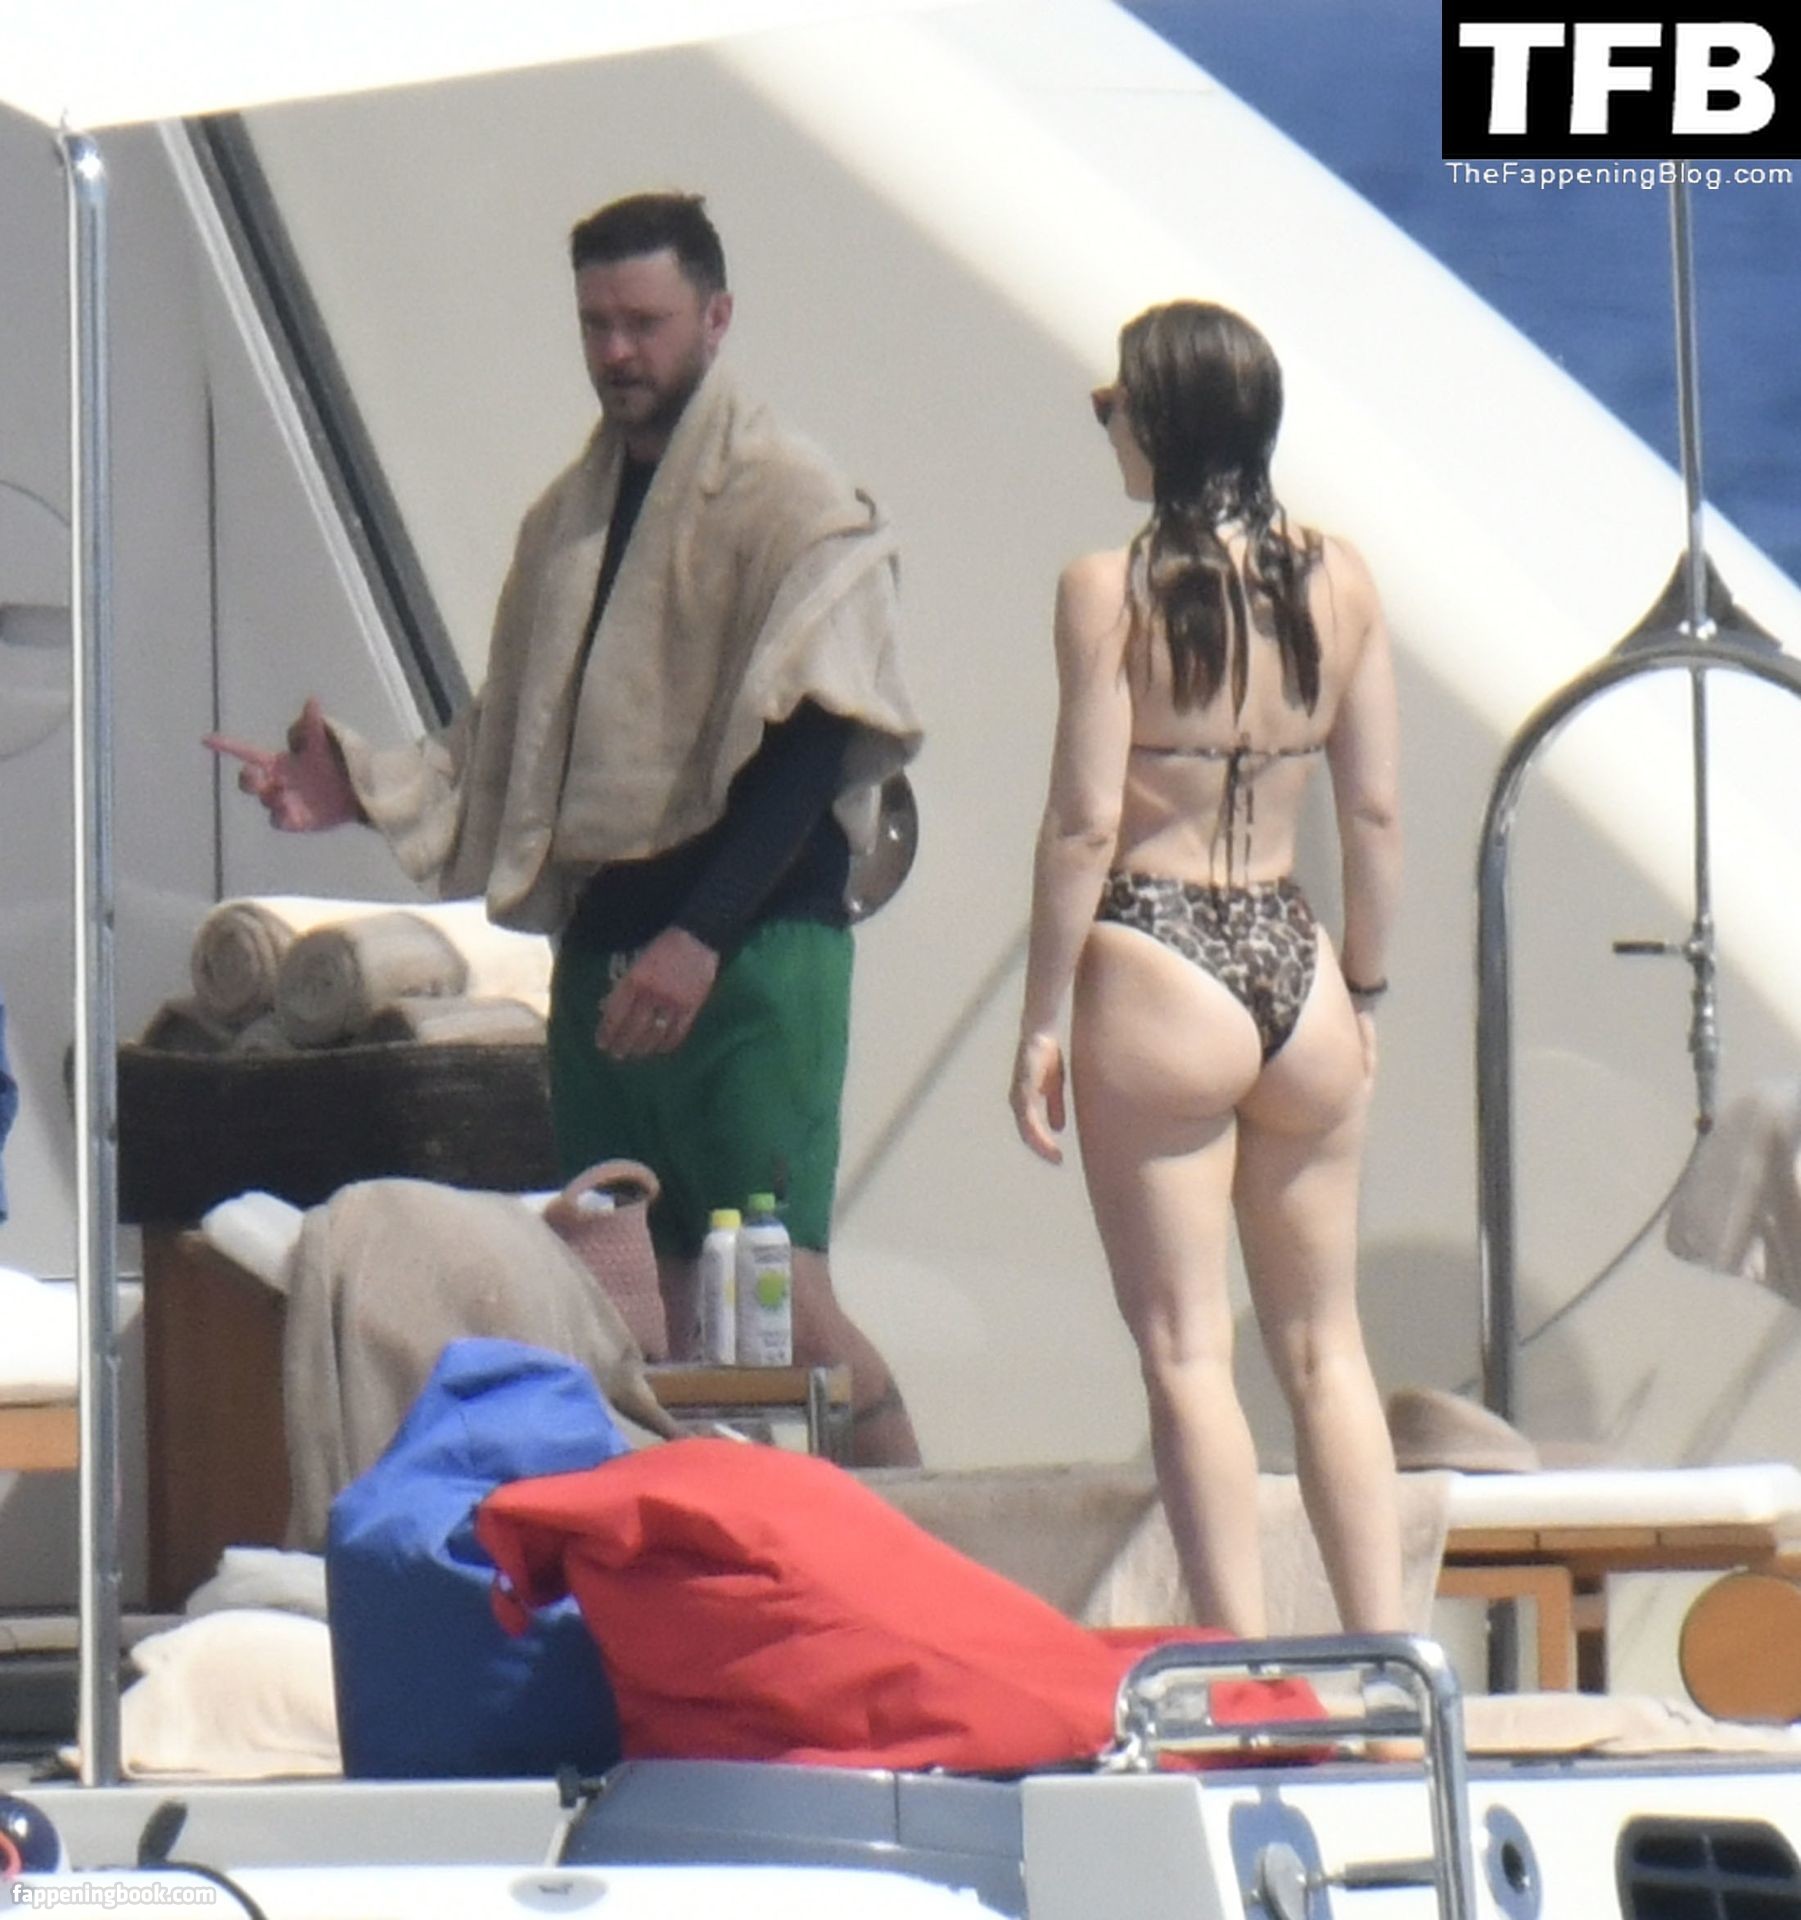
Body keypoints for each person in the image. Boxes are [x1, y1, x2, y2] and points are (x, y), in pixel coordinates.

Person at [210, 192, 923, 1466]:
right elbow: (514, 737)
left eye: (644, 322)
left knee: (785, 1305)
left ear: (715, 317)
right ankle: (695, 1563)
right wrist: (358, 789)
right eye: (595, 324)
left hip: (753, 954)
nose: (617, 352)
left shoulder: (792, 500)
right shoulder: (568, 522)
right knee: (639, 1312)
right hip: (603, 951)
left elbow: (822, 736)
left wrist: (701, 938)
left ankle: (923, 1545)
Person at [1009, 300, 1403, 1634]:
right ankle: (1389, 1660)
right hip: (1295, 960)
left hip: (1159, 950)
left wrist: (1040, 1020)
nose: (1106, 424)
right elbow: (1373, 815)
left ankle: (1243, 1673)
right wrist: (1364, 987)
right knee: (1327, 1350)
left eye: (1115, 404)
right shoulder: (1341, 583)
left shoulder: (1108, 590)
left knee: (1188, 1354)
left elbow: (1083, 823)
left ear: (1167, 421)